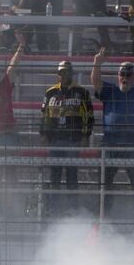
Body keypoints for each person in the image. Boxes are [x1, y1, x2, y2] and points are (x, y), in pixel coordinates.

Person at [90, 47, 134, 215]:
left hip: (133, 141)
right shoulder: (110, 90)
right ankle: (103, 212)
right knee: (105, 179)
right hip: (111, 141)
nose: (124, 77)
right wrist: (97, 63)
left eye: (128, 74)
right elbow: (96, 83)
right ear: (118, 76)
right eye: (122, 74)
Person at [39, 58, 94, 215]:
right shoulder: (50, 92)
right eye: (61, 73)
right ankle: (53, 208)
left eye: (66, 72)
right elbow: (44, 116)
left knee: (72, 174)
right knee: (54, 175)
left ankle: (73, 208)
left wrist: (86, 136)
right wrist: (43, 134)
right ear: (58, 74)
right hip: (54, 140)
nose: (63, 75)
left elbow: (89, 116)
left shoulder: (82, 92)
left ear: (71, 73)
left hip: (73, 140)